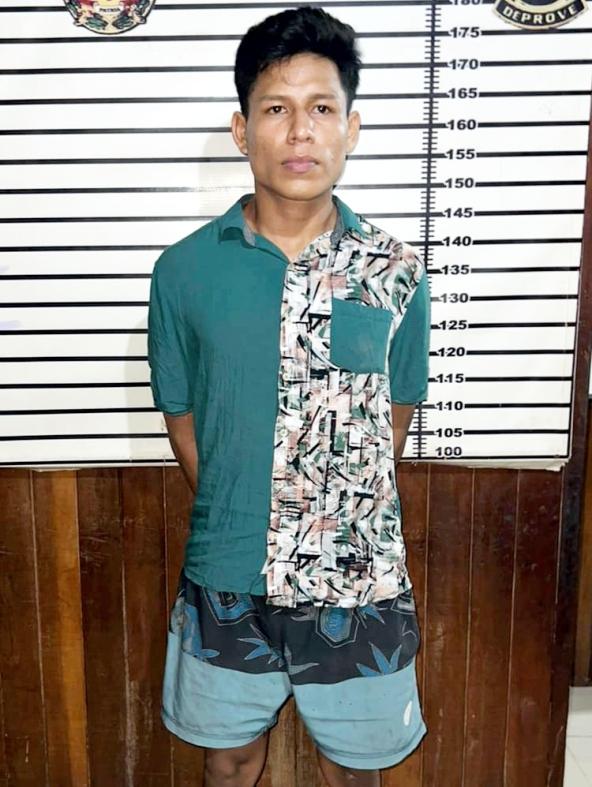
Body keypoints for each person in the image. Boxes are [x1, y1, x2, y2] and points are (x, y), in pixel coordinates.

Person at [147, 6, 431, 786]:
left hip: (359, 578)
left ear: (352, 128)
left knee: (356, 769)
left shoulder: (396, 271)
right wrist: (250, 512)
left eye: (322, 108)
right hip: (226, 571)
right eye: (276, 108)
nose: (300, 130)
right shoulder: (183, 272)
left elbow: (393, 421)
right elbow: (183, 419)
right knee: (229, 761)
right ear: (243, 130)